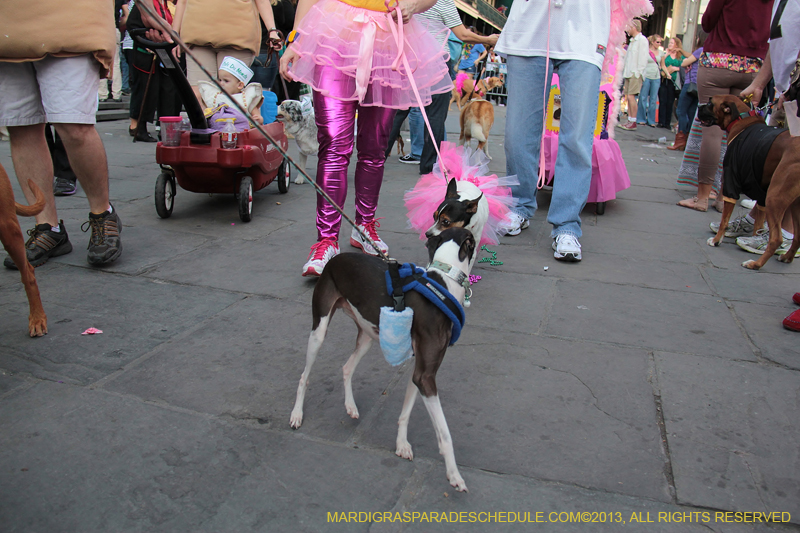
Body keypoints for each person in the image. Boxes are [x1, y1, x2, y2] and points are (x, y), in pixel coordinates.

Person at [279, 0, 452, 276]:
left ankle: (364, 226)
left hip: (388, 39)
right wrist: (295, 39)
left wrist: (414, 5)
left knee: (375, 148)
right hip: (334, 31)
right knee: (334, 144)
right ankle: (326, 240)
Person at [0, 0, 123, 269]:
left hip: (70, 19)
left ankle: (103, 215)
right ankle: (48, 227)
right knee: (22, 127)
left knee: (74, 126)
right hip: (8, 24)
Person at [497, 0, 612, 262]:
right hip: (529, 29)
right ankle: (519, 205)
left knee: (578, 138)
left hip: (586, 30)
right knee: (518, 133)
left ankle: (567, 224)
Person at [676, 0, 772, 212]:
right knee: (738, 134)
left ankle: (702, 198)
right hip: (753, 66)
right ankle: (724, 198)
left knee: (710, 131)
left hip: (718, 61)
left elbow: (708, 22)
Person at [414, 0, 498, 175]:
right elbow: (463, 35)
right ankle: (430, 166)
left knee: (401, 113)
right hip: (434, 62)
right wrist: (488, 39)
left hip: (409, 60)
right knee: (435, 115)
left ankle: (377, 160)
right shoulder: (443, 2)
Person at [172, 0, 279, 104]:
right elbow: (182, 2)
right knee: (199, 95)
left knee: (231, 95)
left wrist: (272, 30)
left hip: (237, 38)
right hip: (197, 37)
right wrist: (174, 34)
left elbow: (262, 1)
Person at [199, 56, 264, 124]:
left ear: (240, 85)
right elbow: (206, 114)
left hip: (241, 132)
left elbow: (258, 118)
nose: (221, 83)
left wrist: (258, 119)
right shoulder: (215, 97)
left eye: (226, 81)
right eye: (220, 80)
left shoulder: (246, 98)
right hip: (218, 132)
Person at [670, 31, 707, 151]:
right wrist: (681, 51)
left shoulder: (700, 49)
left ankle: (680, 138)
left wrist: (684, 62)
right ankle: (688, 141)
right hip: (699, 86)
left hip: (689, 84)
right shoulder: (707, 52)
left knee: (681, 110)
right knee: (691, 113)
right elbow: (691, 56)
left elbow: (685, 62)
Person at [619, 20, 648, 131]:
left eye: (629, 27)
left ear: (634, 27)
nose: (627, 29)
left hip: (635, 73)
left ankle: (633, 120)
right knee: (628, 96)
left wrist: (638, 73)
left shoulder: (642, 40)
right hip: (628, 72)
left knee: (631, 96)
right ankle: (630, 120)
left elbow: (643, 57)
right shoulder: (632, 41)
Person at [657, 37, 687, 130]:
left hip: (674, 80)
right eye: (669, 43)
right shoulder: (666, 54)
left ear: (676, 45)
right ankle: (661, 121)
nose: (669, 45)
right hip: (664, 79)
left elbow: (684, 67)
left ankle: (667, 122)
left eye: (671, 43)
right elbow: (661, 64)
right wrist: (667, 54)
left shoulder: (680, 56)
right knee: (662, 101)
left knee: (670, 101)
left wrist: (676, 68)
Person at [635, 34, 662, 128]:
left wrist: (667, 73)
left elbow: (662, 65)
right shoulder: (646, 51)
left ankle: (651, 120)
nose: (659, 44)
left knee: (653, 99)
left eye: (660, 42)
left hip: (656, 76)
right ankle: (641, 118)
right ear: (652, 42)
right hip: (646, 75)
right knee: (643, 97)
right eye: (657, 42)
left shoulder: (661, 52)